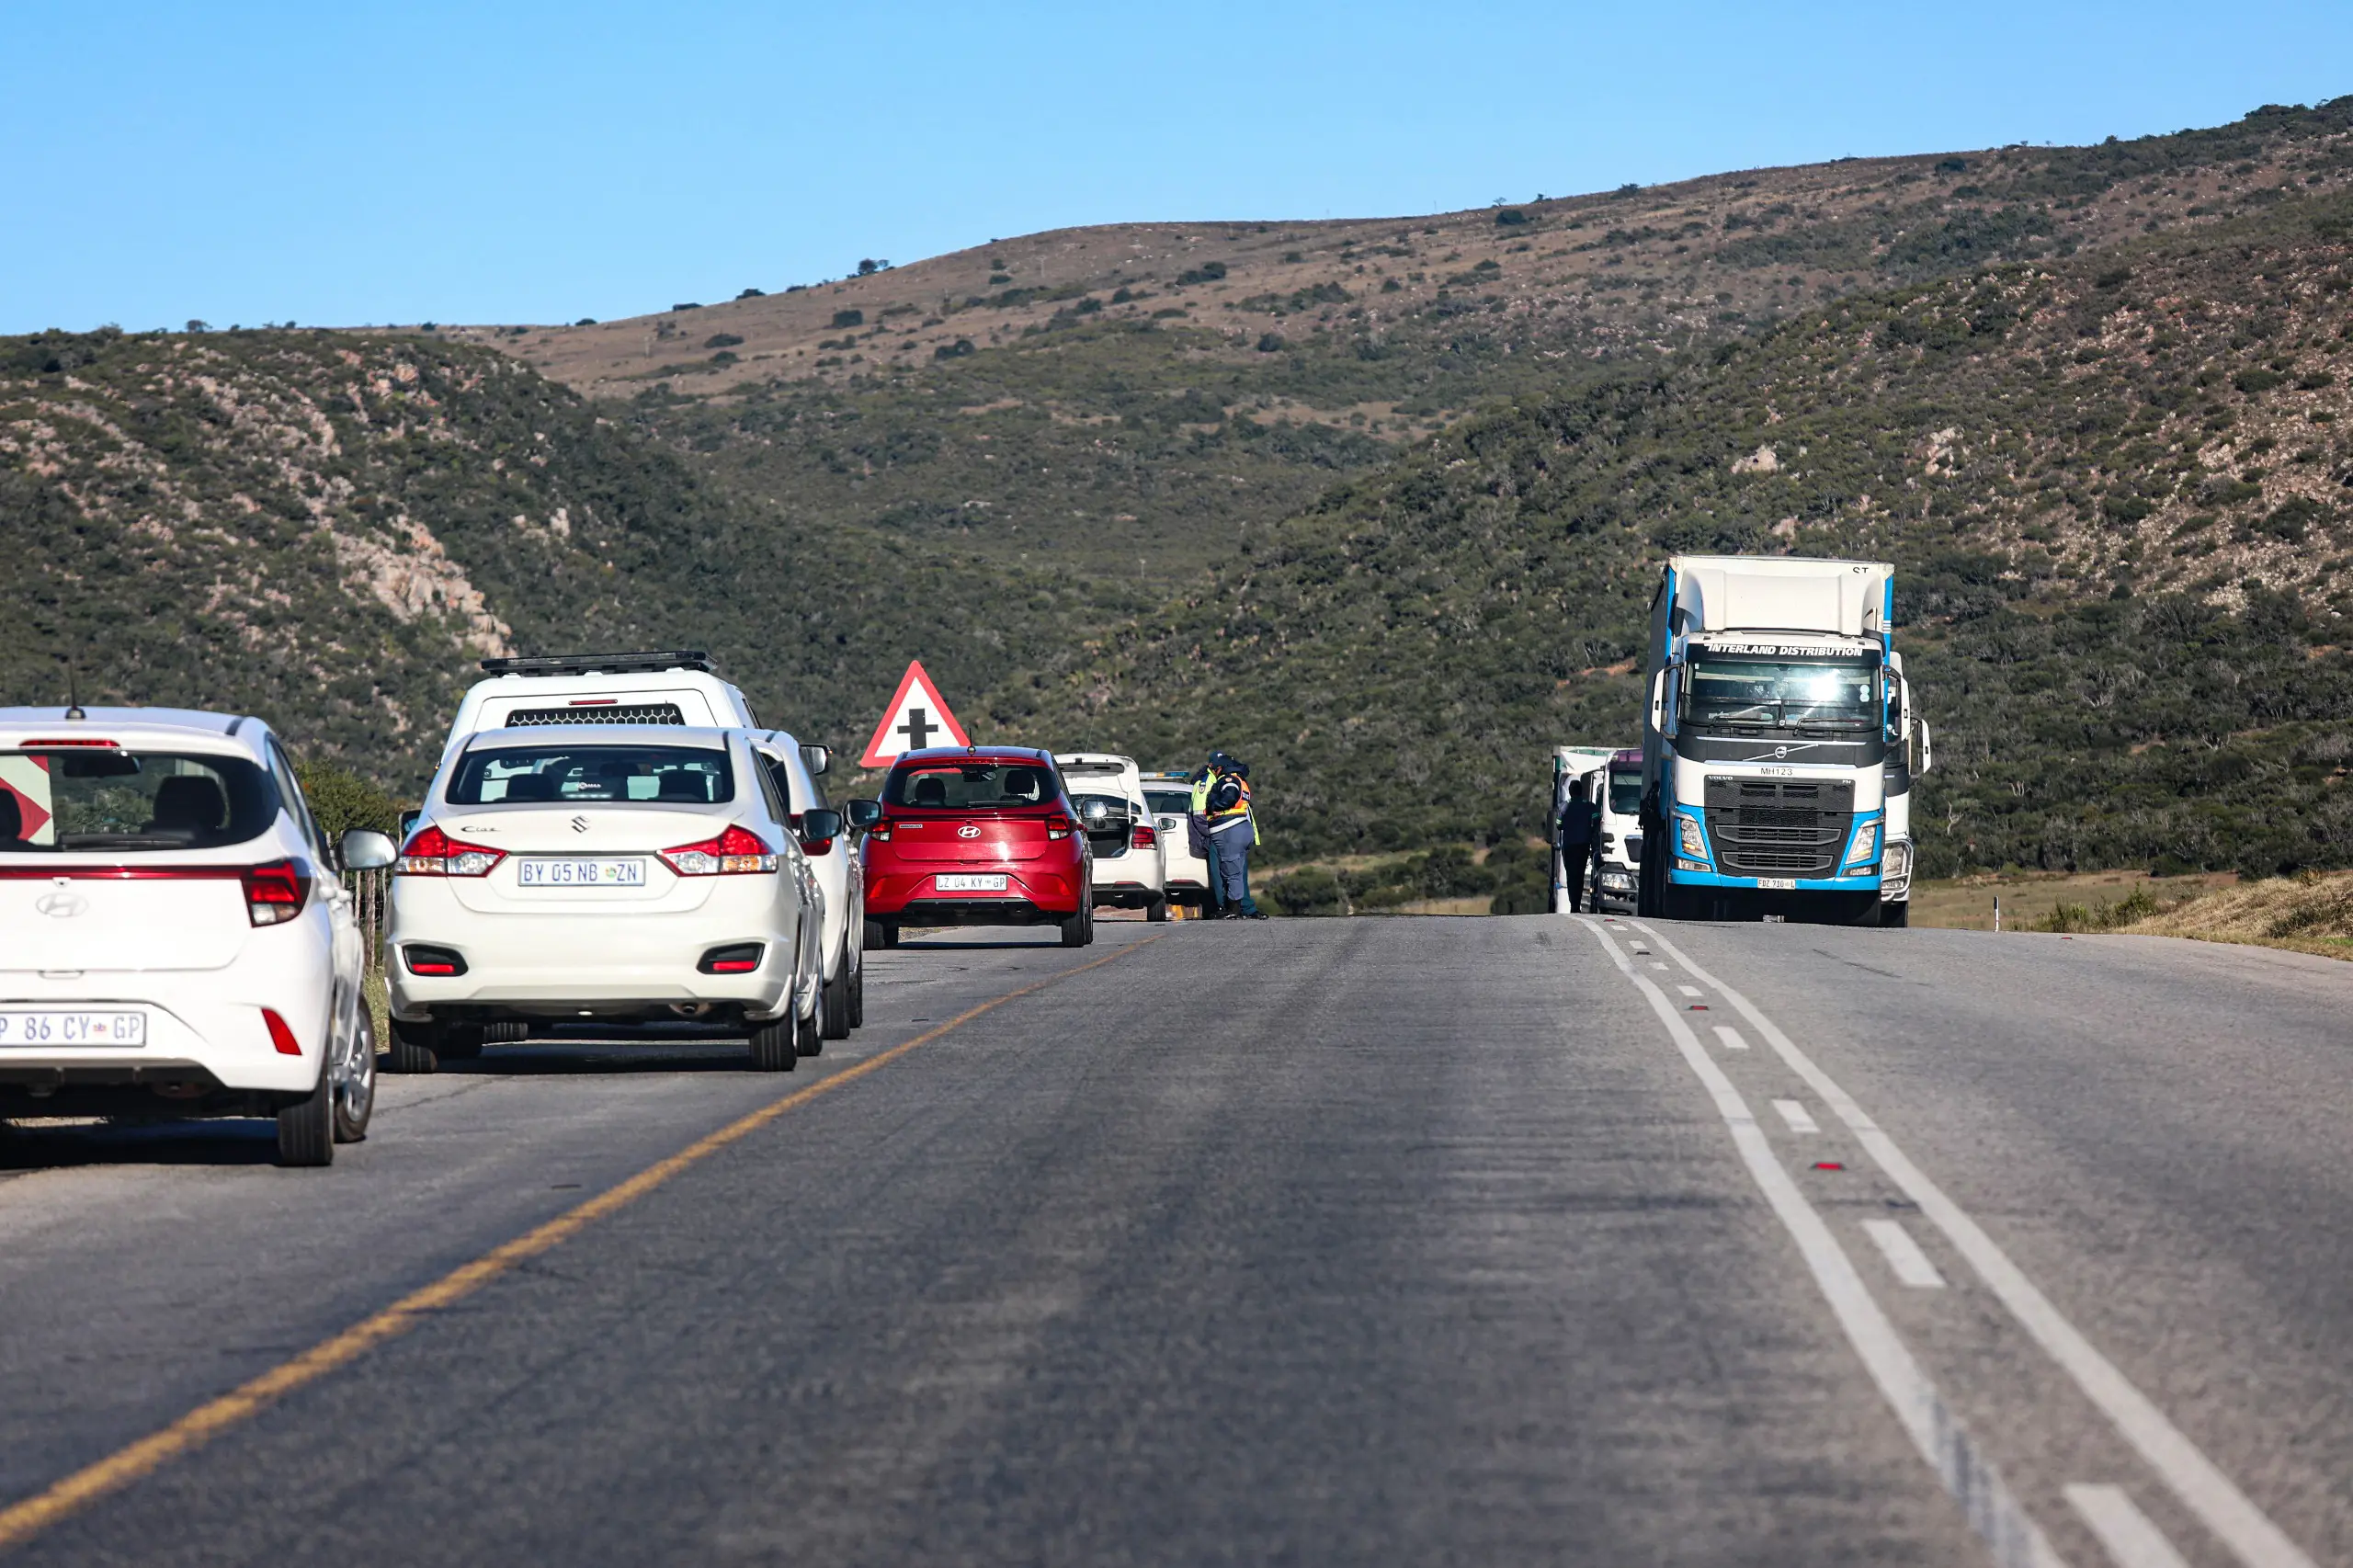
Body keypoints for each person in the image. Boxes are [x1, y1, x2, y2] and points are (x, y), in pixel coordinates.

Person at [1204, 755, 1265, 919]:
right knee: (1235, 871)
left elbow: (1230, 795)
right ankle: (1236, 908)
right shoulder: (1240, 779)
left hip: (1230, 828)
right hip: (1240, 828)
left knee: (1231, 872)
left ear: (1220, 768)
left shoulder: (1228, 780)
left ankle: (1234, 909)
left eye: (1214, 769)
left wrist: (1213, 806)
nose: (1213, 772)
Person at [1188, 753, 1229, 917]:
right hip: (1210, 835)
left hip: (1214, 833)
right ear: (1213, 766)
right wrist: (1214, 832)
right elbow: (1199, 814)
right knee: (1218, 874)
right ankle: (1221, 906)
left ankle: (1225, 905)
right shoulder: (1206, 782)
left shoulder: (1214, 780)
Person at [1557, 776, 1602, 914]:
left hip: (1569, 846)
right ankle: (1576, 903)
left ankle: (1574, 904)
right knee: (1580, 874)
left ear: (1570, 791)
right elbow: (1597, 820)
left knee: (1571, 876)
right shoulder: (1589, 806)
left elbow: (1559, 825)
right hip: (1583, 845)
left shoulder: (1564, 806)